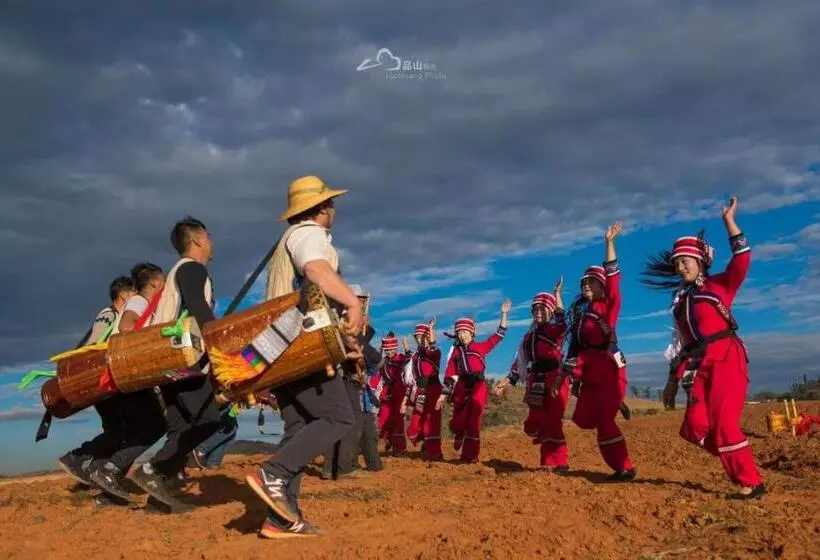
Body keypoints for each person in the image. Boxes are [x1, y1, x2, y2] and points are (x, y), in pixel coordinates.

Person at [246, 175, 360, 538]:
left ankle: (279, 516)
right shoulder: (309, 233)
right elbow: (314, 269)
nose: (334, 209)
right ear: (321, 208)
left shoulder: (287, 239)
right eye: (331, 203)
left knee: (298, 426)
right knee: (339, 417)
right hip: (301, 346)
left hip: (279, 349)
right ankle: (273, 474)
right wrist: (352, 301)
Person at [643, 196, 765, 500]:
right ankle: (736, 455)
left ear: (701, 262)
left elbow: (742, 260)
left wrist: (729, 223)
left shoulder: (720, 285)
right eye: (678, 263)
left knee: (724, 426)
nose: (682, 266)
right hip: (698, 363)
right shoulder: (679, 303)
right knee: (693, 428)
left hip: (726, 356)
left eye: (687, 261)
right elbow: (682, 345)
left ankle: (750, 482)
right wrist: (672, 381)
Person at [130, 217, 223, 511]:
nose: (211, 241)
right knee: (209, 419)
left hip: (167, 363)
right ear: (197, 240)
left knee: (182, 428)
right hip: (186, 362)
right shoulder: (192, 269)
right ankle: (152, 469)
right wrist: (222, 347)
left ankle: (157, 502)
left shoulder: (175, 274)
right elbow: (199, 309)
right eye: (208, 236)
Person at [553, 222, 635, 481]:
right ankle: (620, 464)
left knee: (605, 421)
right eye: (584, 282)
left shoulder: (609, 306)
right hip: (588, 372)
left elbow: (613, 279)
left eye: (592, 282)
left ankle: (624, 468)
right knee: (587, 420)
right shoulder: (580, 316)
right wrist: (562, 377)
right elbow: (573, 348)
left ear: (601, 286)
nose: (587, 285)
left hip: (609, 369)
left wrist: (609, 243)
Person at [86, 263, 169, 503]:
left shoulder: (143, 303)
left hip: (122, 373)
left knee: (135, 432)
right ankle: (107, 470)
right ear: (154, 282)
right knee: (155, 426)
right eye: (163, 280)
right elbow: (126, 326)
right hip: (127, 373)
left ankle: (107, 492)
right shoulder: (140, 302)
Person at [56, 276, 136, 487]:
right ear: (123, 295)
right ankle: (77, 457)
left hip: (110, 379)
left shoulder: (118, 316)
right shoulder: (108, 315)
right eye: (133, 294)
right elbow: (95, 344)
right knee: (119, 430)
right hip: (101, 379)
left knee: (117, 429)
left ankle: (93, 469)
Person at [495, 279, 568, 471]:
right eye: (535, 310)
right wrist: (508, 380)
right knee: (536, 420)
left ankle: (557, 462)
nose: (538, 313)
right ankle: (549, 459)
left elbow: (562, 320)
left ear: (551, 311)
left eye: (543, 309)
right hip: (535, 380)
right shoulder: (529, 337)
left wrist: (557, 294)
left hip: (555, 378)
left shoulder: (555, 330)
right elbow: (520, 360)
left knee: (552, 420)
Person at [437, 300, 510, 464]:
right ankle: (458, 433)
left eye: (465, 332)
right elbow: (450, 373)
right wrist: (443, 395)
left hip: (479, 386)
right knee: (458, 421)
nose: (462, 335)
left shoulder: (481, 347)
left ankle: (470, 457)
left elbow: (500, 334)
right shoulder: (455, 352)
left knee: (473, 422)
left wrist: (503, 314)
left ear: (472, 332)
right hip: (462, 387)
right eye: (460, 332)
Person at [401, 319, 444, 461]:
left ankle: (434, 452)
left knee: (432, 421)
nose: (419, 339)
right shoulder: (416, 357)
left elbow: (432, 348)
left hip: (433, 389)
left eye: (422, 336)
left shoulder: (434, 352)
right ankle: (425, 442)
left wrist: (431, 331)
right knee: (414, 424)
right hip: (420, 391)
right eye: (417, 337)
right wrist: (405, 400)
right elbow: (411, 378)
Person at [371, 332, 410, 456]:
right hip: (387, 391)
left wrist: (407, 349)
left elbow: (410, 365)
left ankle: (400, 449)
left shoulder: (401, 358)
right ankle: (390, 440)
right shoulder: (383, 362)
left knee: (398, 421)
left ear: (395, 348)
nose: (389, 352)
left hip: (399, 390)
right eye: (386, 349)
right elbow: (377, 375)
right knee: (384, 418)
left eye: (391, 349)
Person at [189, 403, 239, 470]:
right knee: (229, 427)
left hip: (229, 403)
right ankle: (199, 450)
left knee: (231, 430)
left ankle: (213, 461)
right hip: (219, 401)